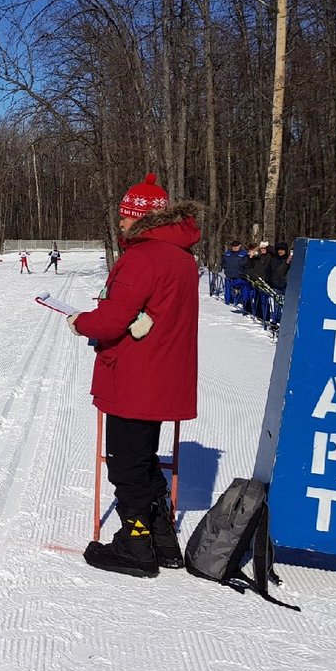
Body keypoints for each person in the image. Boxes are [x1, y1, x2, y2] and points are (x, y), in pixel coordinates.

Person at [67, 173, 200, 578]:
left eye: (125, 216)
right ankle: (162, 538)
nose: (121, 223)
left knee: (126, 462)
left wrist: (80, 321)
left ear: (141, 220)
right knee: (143, 458)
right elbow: (154, 311)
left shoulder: (143, 257)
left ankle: (135, 543)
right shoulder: (180, 256)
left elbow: (111, 319)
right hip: (163, 372)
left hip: (136, 375)